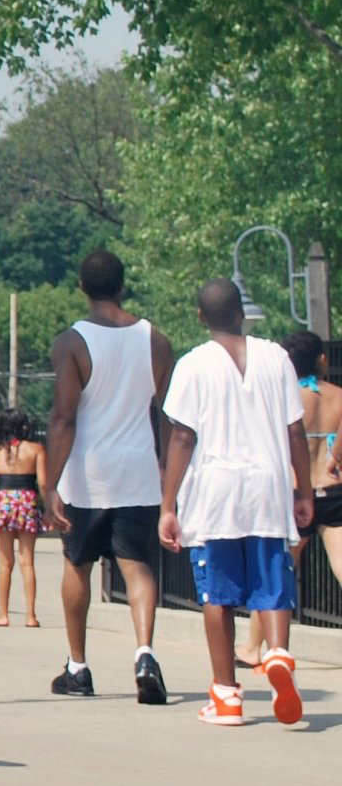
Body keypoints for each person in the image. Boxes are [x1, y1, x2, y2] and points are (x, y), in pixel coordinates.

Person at [160, 280, 314, 726]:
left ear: (200, 317)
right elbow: (295, 431)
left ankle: (226, 695)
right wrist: (304, 491)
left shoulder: (192, 364)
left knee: (218, 594)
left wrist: (168, 504)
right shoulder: (276, 357)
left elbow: (182, 436)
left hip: (214, 491)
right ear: (243, 314)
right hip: (267, 486)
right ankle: (278, 652)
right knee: (272, 581)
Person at [41, 250, 174, 705]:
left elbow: (64, 417)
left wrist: (50, 484)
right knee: (137, 566)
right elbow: (166, 415)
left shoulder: (72, 342)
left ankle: (78, 667)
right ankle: (145, 654)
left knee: (77, 564)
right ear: (122, 285)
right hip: (138, 469)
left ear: (82, 287)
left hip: (88, 473)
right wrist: (165, 469)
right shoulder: (156, 340)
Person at [241, 331, 342, 667]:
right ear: (322, 360)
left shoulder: (283, 398)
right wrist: (333, 457)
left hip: (295, 494)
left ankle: (253, 648)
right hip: (334, 489)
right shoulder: (338, 396)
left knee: (276, 573)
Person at [0, 409, 45, 628]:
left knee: (5, 563)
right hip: (27, 501)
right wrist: (45, 507)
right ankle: (31, 616)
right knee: (28, 561)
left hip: (3, 503)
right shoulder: (36, 449)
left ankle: (3, 614)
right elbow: (43, 483)